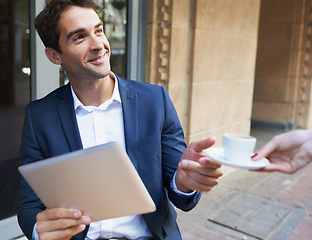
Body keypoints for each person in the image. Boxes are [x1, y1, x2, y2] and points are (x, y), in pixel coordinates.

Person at [17, 0, 223, 239]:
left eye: (98, 30)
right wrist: (38, 230)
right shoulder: (39, 116)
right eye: (79, 37)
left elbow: (182, 195)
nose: (99, 45)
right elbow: (29, 205)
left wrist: (184, 181)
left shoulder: (154, 100)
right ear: (54, 56)